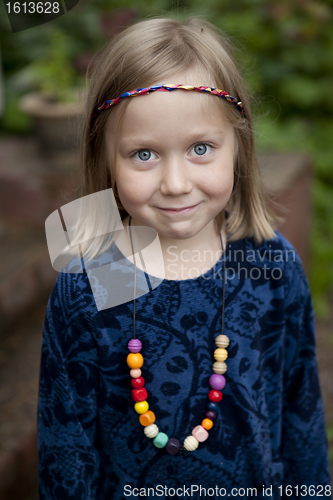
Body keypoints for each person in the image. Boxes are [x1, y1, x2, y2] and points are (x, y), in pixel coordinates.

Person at [37, 16, 331, 500]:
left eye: (200, 148)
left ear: (239, 147)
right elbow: (66, 452)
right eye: (144, 155)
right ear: (105, 156)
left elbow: (301, 417)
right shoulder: (89, 284)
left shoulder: (270, 268)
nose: (175, 184)